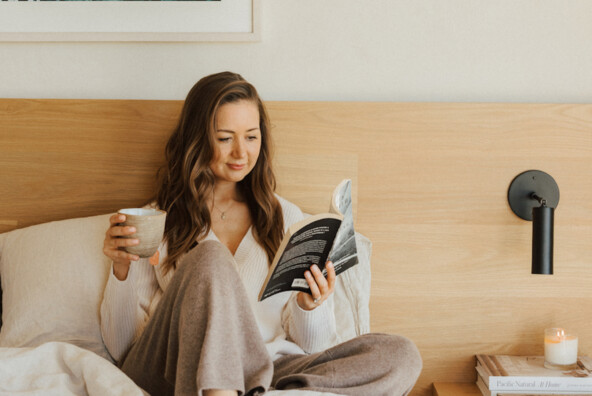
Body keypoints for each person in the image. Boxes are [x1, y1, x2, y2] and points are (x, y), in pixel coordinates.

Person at [100, 71, 422, 396]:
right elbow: (120, 348)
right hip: (178, 369)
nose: (241, 153)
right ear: (197, 139)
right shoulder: (158, 220)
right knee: (211, 257)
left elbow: (314, 347)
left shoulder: (285, 219)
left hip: (266, 371)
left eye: (251, 137)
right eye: (225, 138)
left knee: (400, 354)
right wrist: (121, 270)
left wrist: (309, 305)